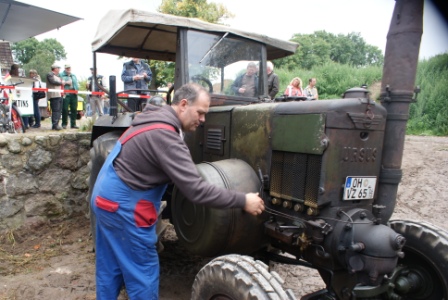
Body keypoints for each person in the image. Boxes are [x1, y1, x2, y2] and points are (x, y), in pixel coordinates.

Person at [90, 83, 265, 300]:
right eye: (200, 113)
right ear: (183, 105)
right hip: (124, 205)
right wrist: (243, 200)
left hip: (105, 197)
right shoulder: (166, 136)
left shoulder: (154, 118)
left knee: (111, 266)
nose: (203, 120)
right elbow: (196, 190)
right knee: (142, 271)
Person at [60, 64, 79, 129]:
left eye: (69, 68)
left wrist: (77, 90)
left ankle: (73, 124)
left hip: (74, 94)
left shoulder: (73, 75)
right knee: (65, 109)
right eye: (67, 68)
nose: (68, 69)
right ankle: (64, 124)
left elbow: (76, 83)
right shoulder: (61, 75)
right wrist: (66, 82)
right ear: (65, 69)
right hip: (66, 93)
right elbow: (60, 83)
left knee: (74, 109)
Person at [46, 64, 65, 130]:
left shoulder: (58, 76)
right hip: (54, 95)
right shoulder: (50, 74)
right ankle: (55, 125)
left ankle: (56, 124)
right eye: (58, 68)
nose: (59, 70)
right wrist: (61, 83)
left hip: (59, 94)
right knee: (55, 110)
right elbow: (52, 81)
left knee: (59, 110)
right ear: (55, 68)